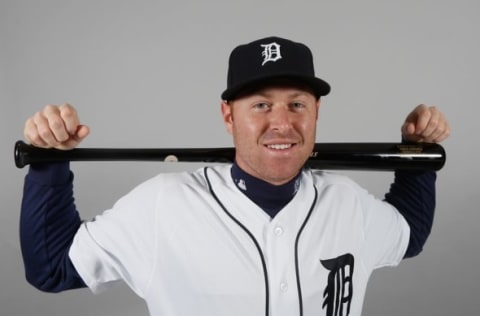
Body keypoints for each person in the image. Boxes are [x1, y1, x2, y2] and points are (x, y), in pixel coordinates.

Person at [20, 36, 450, 316]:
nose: (282, 123)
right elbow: (52, 268)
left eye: (297, 104)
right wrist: (48, 163)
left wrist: (417, 155)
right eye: (261, 105)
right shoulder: (164, 205)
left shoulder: (347, 201)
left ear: (317, 112)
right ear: (228, 116)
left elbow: (408, 233)